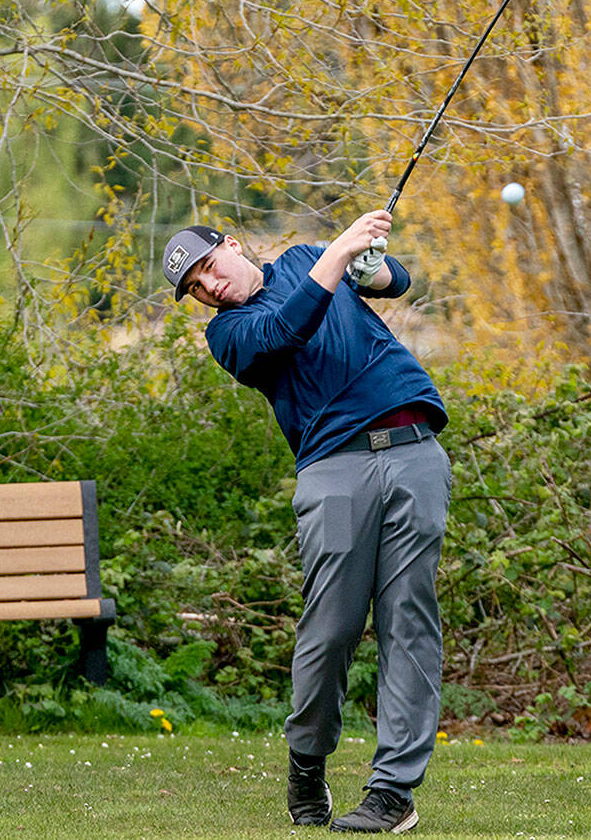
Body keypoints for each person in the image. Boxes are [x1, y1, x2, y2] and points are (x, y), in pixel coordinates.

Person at [161, 210, 451, 833]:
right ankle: (307, 761)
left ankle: (393, 793)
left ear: (233, 246)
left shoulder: (304, 257)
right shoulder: (231, 334)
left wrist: (373, 268)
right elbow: (290, 328)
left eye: (208, 267)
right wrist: (341, 254)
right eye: (195, 288)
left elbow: (396, 282)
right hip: (334, 468)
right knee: (333, 626)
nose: (208, 287)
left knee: (409, 619)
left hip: (414, 449)